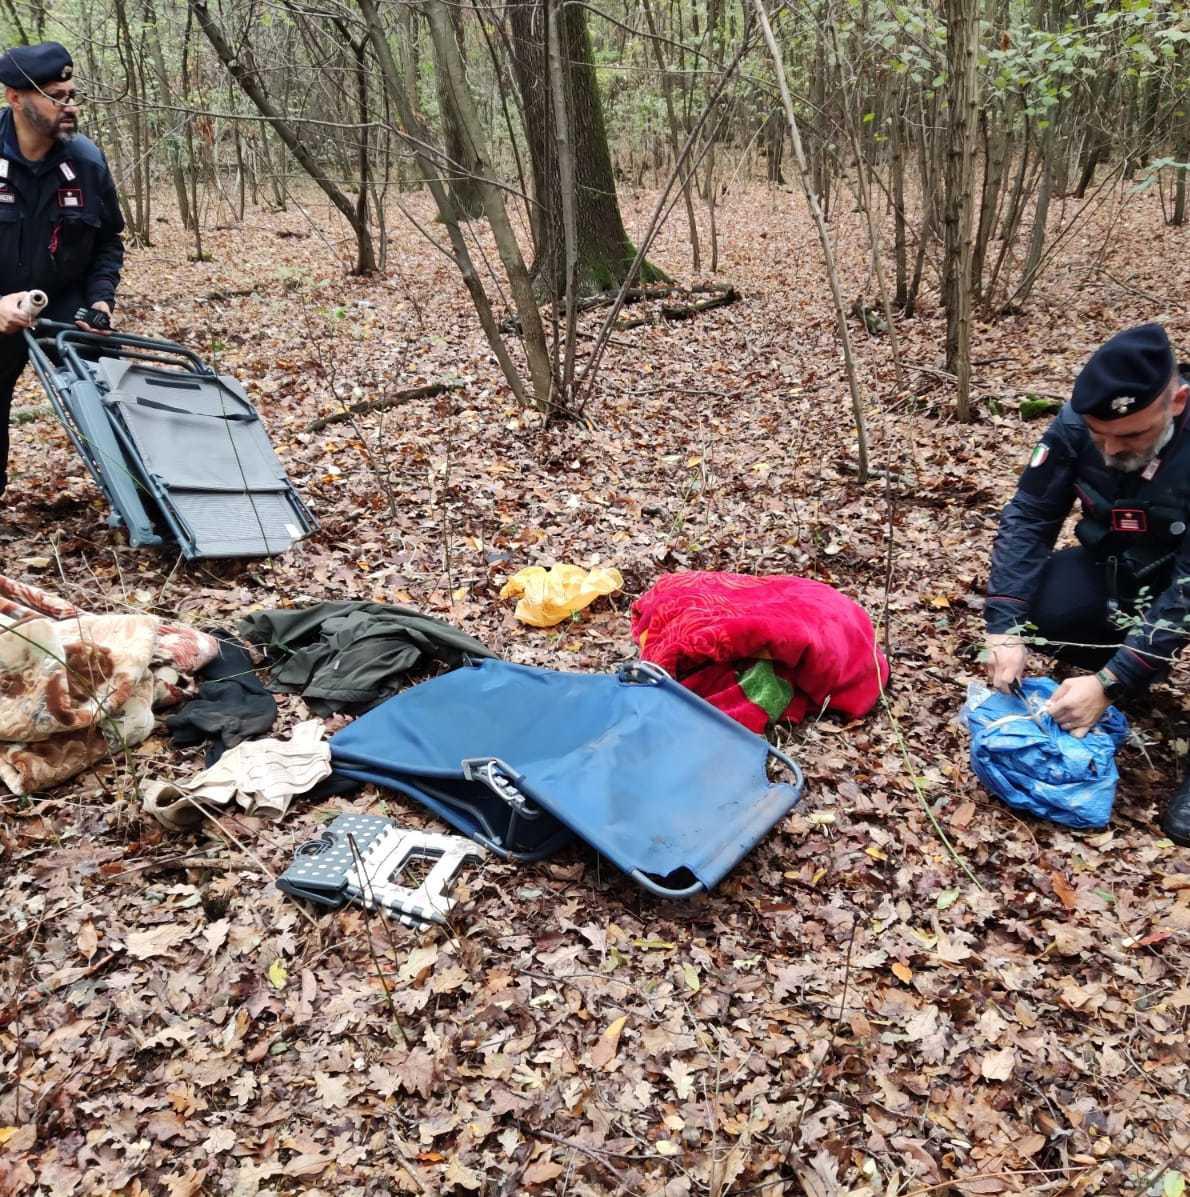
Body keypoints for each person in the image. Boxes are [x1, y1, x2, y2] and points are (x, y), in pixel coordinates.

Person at [984, 322, 1190, 846]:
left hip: (1179, 575)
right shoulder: (1075, 427)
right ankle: (1116, 676)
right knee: (1045, 606)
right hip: (1122, 568)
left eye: (1131, 437)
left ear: (1178, 402)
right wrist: (1004, 628)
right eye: (1100, 435)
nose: (1110, 450)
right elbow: (1030, 516)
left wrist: (1114, 680)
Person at [0, 41, 124, 498]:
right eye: (55, 95)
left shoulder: (86, 162)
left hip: (61, 301)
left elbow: (108, 240)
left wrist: (100, 299)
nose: (67, 105)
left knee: (111, 394)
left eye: (71, 94)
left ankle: (149, 502)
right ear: (15, 97)